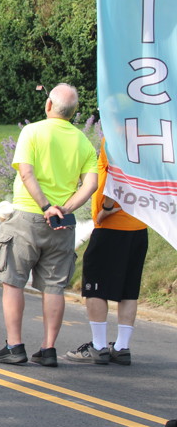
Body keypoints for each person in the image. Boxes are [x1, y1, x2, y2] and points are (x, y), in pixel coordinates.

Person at [0, 83, 98, 367]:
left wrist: (46, 207)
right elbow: (91, 185)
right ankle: (48, 349)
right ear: (74, 113)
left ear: (48, 105)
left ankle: (15, 346)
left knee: (13, 281)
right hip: (62, 224)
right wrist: (64, 209)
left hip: (27, 215)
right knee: (54, 286)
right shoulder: (83, 142)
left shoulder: (32, 131)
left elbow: (26, 173)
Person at [64, 139, 149, 365]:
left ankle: (99, 345)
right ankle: (122, 347)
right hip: (138, 225)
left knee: (95, 285)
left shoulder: (114, 137)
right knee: (129, 290)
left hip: (113, 225)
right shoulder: (145, 137)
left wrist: (107, 208)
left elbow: (117, 174)